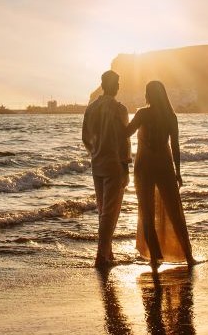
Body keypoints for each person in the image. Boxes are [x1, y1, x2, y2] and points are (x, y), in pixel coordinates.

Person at [126, 80, 195, 269]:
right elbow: (175, 146)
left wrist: (112, 122)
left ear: (148, 95)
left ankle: (154, 258)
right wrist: (178, 172)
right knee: (175, 210)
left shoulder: (142, 114)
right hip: (164, 165)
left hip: (144, 166)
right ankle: (188, 256)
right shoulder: (170, 116)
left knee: (146, 211)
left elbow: (125, 133)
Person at [82, 69, 130, 269]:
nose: (118, 86)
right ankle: (101, 256)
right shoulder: (119, 109)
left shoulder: (91, 108)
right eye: (117, 83)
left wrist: (95, 151)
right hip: (114, 164)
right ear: (111, 85)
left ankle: (107, 252)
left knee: (103, 209)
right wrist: (126, 165)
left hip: (97, 163)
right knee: (110, 212)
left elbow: (85, 137)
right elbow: (124, 139)